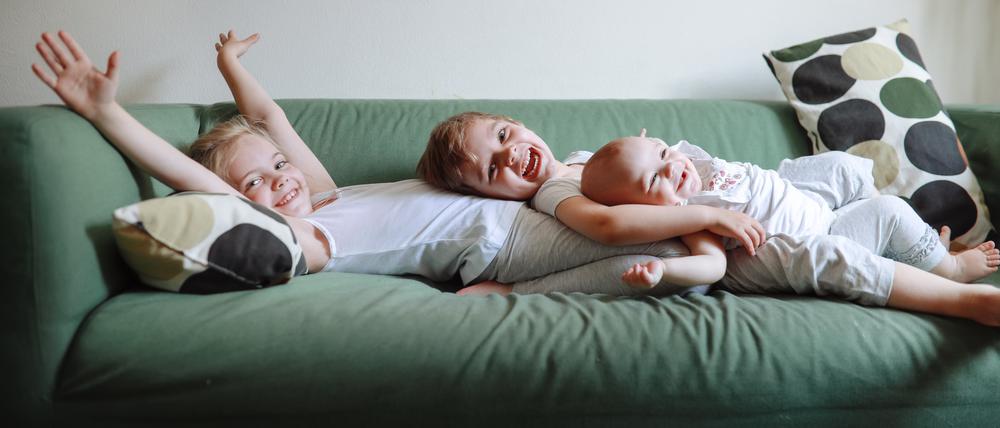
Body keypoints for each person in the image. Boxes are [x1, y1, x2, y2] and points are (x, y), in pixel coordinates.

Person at [31, 30, 715, 297]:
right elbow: (202, 183)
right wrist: (106, 114)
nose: (280, 179)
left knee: (658, 214)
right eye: (257, 183)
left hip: (521, 215)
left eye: (276, 166)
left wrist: (231, 67)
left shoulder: (330, 194)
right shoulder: (317, 233)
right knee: (660, 244)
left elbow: (273, 123)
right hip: (503, 246)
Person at [418, 114, 1000, 326]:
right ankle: (954, 279)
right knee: (834, 256)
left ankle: (926, 253)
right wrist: (669, 264)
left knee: (851, 174)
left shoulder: (585, 159)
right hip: (771, 241)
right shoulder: (561, 195)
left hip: (793, 198)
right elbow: (643, 242)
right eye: (495, 169)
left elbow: (654, 167)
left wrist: (663, 158)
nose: (511, 154)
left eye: (503, 136)